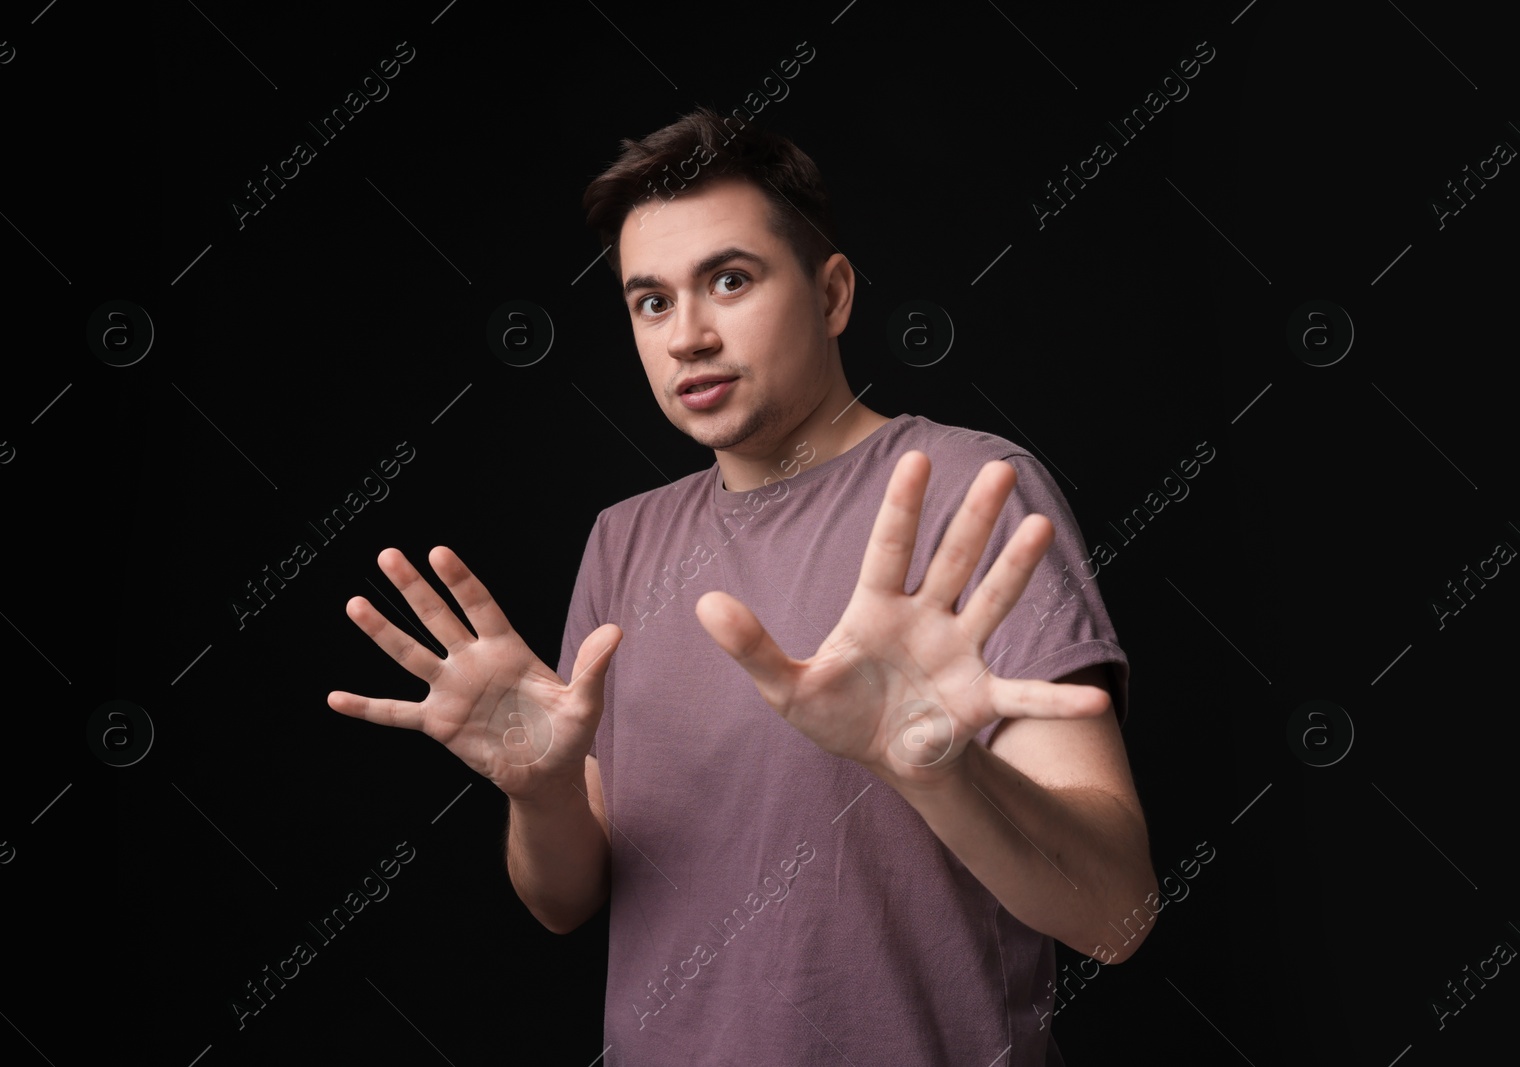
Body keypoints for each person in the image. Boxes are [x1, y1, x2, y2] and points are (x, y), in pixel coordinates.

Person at [328, 107, 1154, 1064]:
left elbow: (1117, 915)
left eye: (729, 279)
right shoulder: (624, 540)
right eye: (651, 301)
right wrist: (543, 790)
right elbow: (565, 900)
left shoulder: (971, 492)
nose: (688, 336)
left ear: (833, 291)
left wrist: (938, 767)